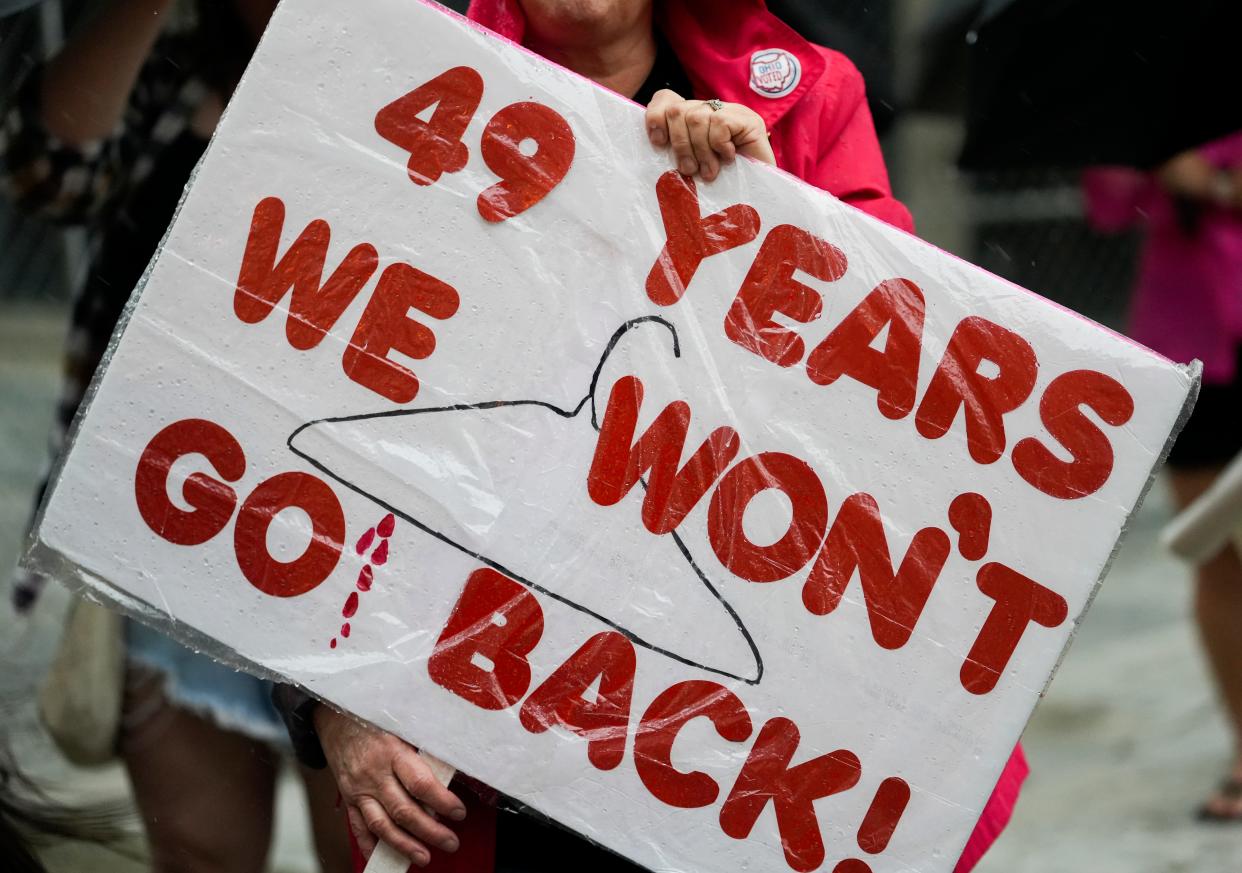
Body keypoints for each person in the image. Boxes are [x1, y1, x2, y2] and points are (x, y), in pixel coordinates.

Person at [275, 1, 1030, 870]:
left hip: (735, 747)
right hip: (469, 756)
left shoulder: (809, 102)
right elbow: (274, 412)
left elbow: (902, 409)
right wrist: (330, 701)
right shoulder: (397, 85)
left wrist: (777, 217)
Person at [0, 2, 350, 871]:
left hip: (355, 559)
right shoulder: (173, 66)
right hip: (169, 538)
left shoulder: (440, 77)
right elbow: (47, 174)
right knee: (200, 853)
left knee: (372, 850)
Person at [1085, 133, 1242, 821]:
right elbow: (1110, 206)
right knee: (1214, 549)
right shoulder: (1165, 88)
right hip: (1195, 336)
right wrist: (1154, 159)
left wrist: (1218, 184)